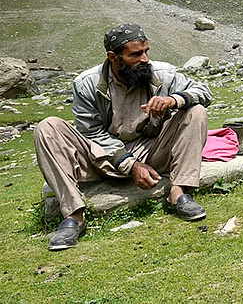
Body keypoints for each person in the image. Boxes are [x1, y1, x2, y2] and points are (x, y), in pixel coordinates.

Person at [34, 24, 212, 251]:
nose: (145, 59)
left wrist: (174, 100)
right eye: (135, 54)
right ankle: (74, 216)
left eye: (146, 51)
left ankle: (178, 193)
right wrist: (131, 165)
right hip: (102, 158)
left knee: (196, 111)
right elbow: (92, 133)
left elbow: (204, 92)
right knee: (47, 127)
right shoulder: (87, 84)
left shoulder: (162, 73)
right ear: (113, 57)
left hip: (151, 152)